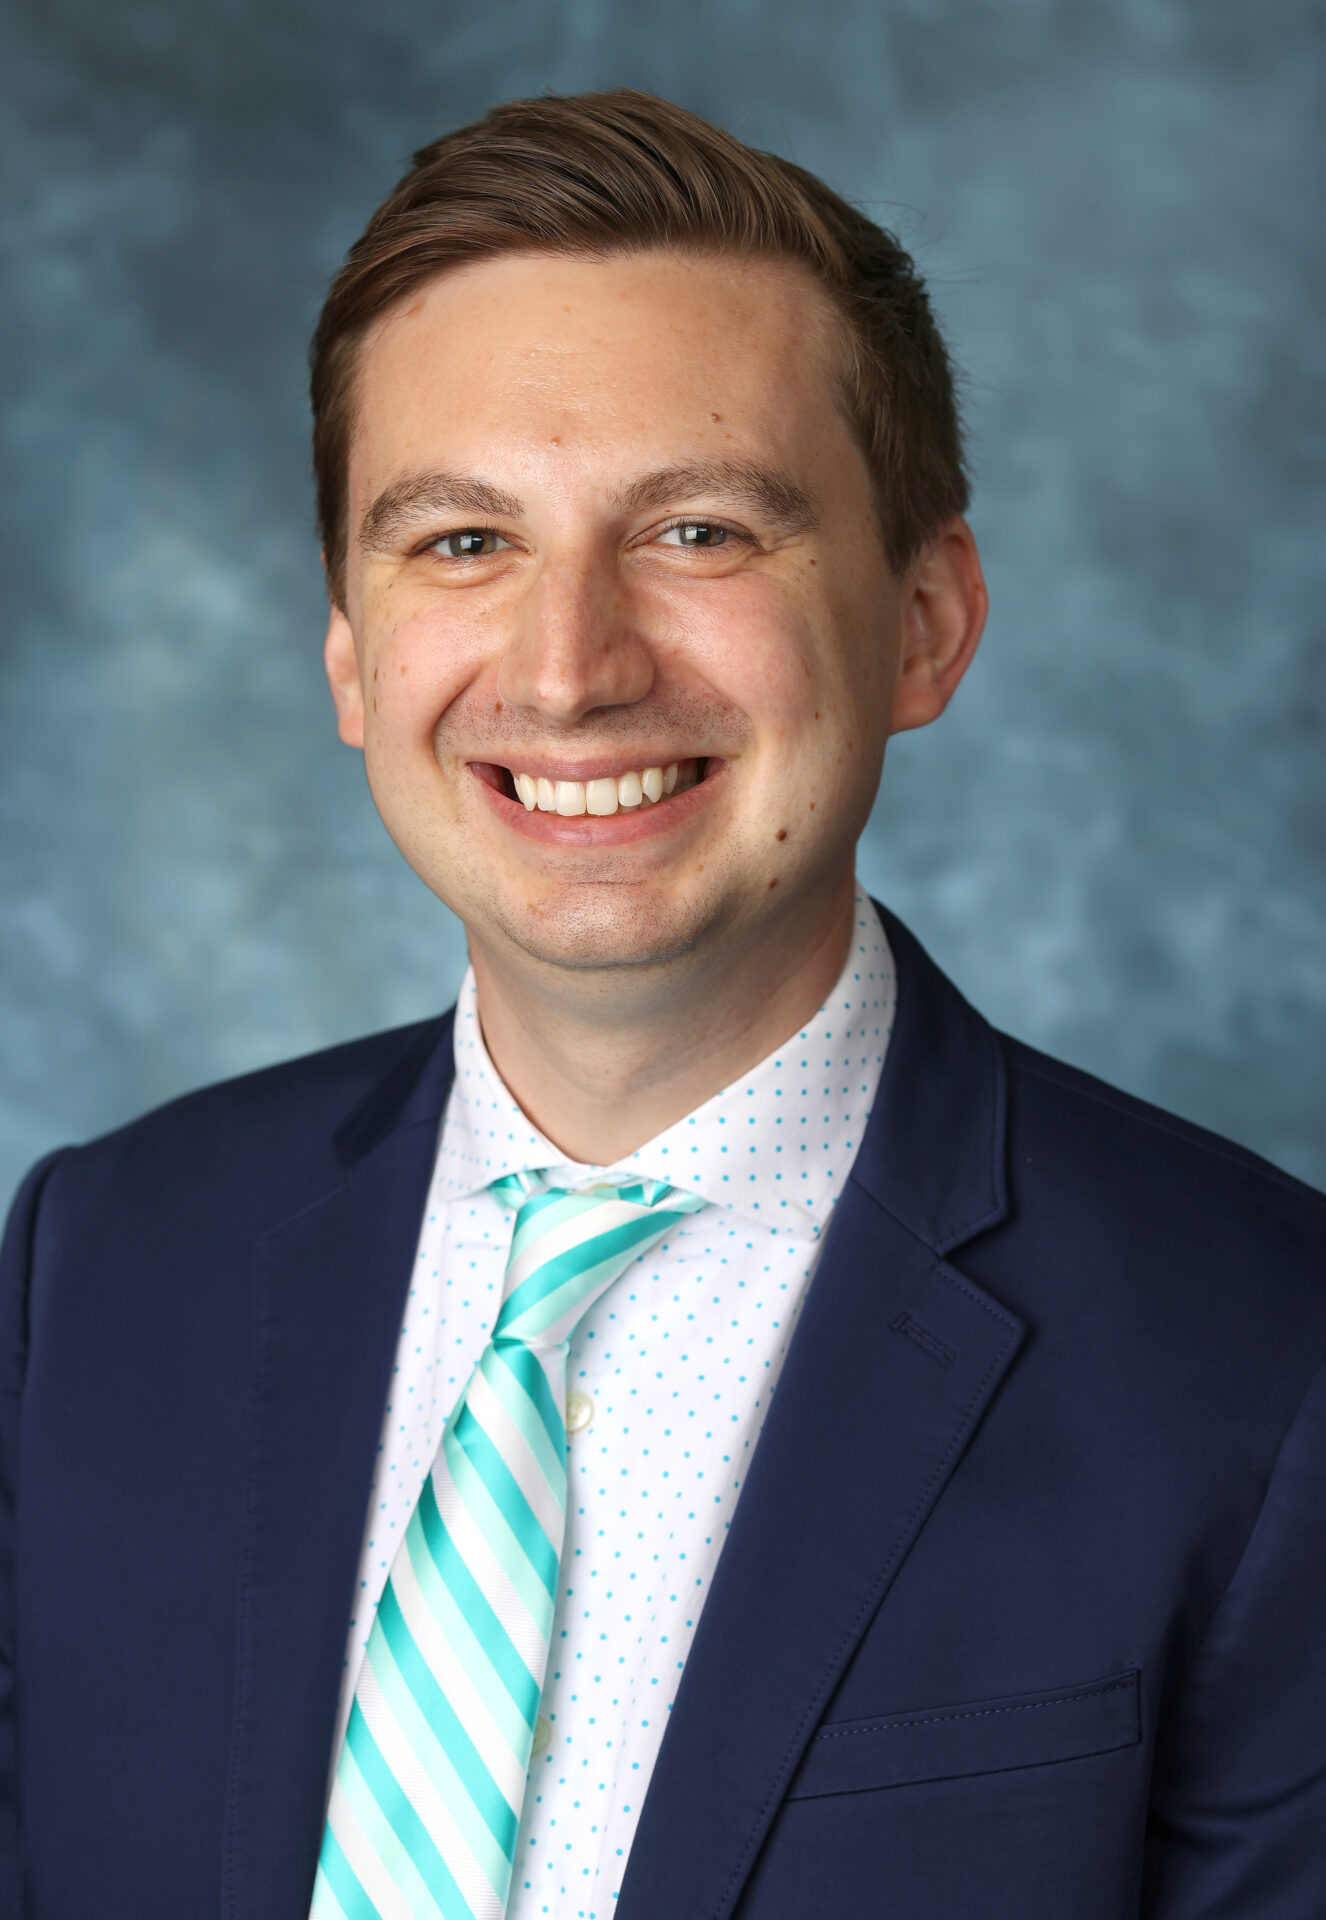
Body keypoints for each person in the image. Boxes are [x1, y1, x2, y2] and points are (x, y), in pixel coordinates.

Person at [1, 87, 1323, 1920]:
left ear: (924, 622)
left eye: (698, 532)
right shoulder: (100, 1265)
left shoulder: (1265, 1361)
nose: (570, 667)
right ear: (350, 659)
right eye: (461, 543)